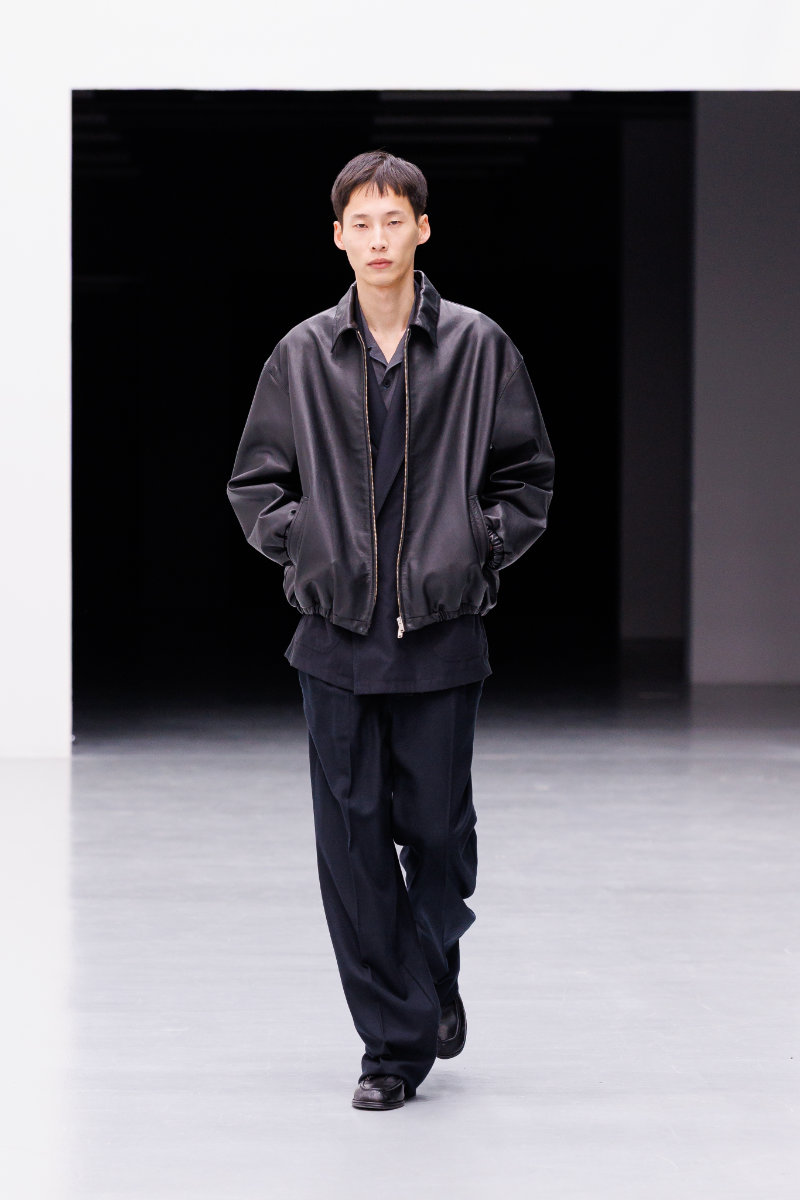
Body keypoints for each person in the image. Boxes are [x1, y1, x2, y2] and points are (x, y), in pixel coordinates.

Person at [227, 150, 554, 1110]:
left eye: (394, 220)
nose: (378, 239)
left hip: (442, 632)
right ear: (339, 238)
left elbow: (527, 479)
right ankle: (391, 1048)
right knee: (353, 849)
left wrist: (474, 550)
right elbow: (255, 484)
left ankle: (431, 963)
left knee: (439, 838)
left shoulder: (480, 347)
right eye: (361, 224)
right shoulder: (300, 355)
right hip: (334, 635)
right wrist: (309, 550)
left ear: (423, 229)